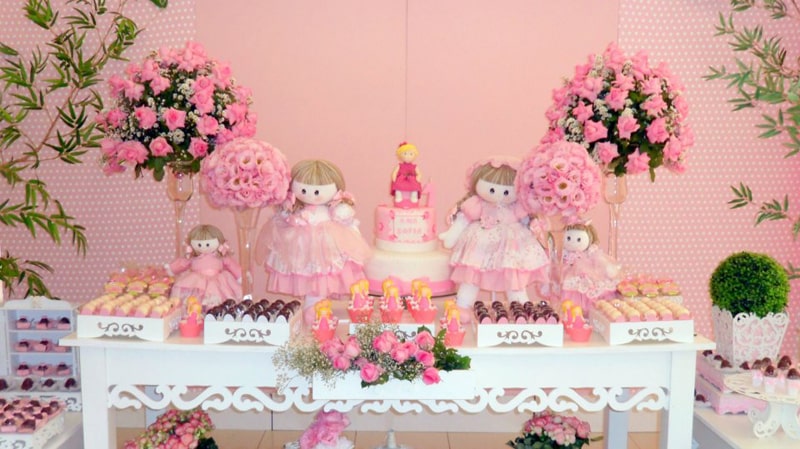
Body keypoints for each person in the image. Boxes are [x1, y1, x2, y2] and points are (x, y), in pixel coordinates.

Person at [256, 159, 371, 323]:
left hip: (327, 245)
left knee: (325, 274)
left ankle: (320, 305)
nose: (311, 195)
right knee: (308, 274)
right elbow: (283, 219)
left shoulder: (332, 210)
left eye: (317, 192)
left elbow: (345, 221)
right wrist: (289, 217)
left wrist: (343, 213)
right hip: (302, 247)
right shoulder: (296, 208)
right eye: (303, 190)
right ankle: (314, 306)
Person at [438, 156, 549, 322]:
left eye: (506, 191)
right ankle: (462, 305)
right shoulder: (477, 204)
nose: (498, 194)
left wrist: (536, 228)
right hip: (481, 245)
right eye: (491, 189)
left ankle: (520, 306)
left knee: (513, 274)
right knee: (472, 274)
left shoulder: (518, 207)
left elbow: (528, 222)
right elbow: (463, 220)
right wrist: (451, 236)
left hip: (509, 248)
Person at [168, 224, 242, 308]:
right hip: (196, 280)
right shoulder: (193, 257)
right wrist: (171, 269)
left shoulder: (220, 257)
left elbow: (231, 265)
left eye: (207, 244)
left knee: (221, 296)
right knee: (194, 300)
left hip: (218, 281)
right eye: (199, 245)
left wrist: (240, 275)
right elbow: (182, 263)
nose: (204, 247)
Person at [561, 221, 621, 310]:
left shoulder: (591, 252)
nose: (573, 242)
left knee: (591, 288)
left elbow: (601, 261)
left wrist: (609, 269)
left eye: (579, 239)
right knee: (569, 288)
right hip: (570, 275)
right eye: (568, 238)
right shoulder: (565, 254)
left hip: (589, 276)